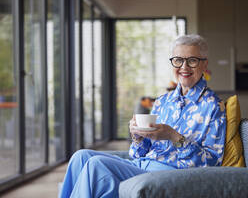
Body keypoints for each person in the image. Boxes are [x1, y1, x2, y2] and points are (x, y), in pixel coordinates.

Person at [59, 34, 226, 198]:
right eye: (178, 60)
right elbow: (138, 154)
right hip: (141, 165)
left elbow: (212, 163)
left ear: (204, 65)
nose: (184, 67)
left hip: (172, 174)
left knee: (96, 165)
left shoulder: (213, 106)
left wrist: (173, 136)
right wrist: (138, 137)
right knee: (80, 157)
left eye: (192, 61)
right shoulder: (163, 101)